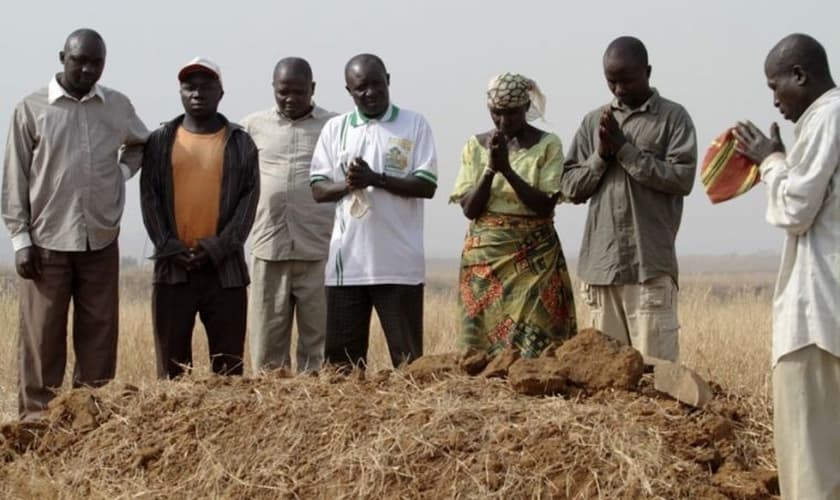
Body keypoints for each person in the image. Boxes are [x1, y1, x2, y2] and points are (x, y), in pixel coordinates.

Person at [1, 29, 148, 419]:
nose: (87, 69)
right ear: (62, 57)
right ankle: (37, 423)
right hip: (46, 243)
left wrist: (120, 172)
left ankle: (90, 422)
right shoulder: (31, 109)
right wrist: (20, 240)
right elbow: (15, 176)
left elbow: (140, 143)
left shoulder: (117, 105)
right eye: (79, 61)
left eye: (96, 63)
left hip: (100, 240)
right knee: (42, 338)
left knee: (99, 335)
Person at [733, 33, 840, 500]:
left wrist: (771, 162)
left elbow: (795, 209)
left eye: (775, 86)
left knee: (811, 467)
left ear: (800, 75)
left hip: (816, 319)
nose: (775, 101)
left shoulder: (829, 115)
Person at [560, 36, 697, 365]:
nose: (619, 89)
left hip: (648, 267)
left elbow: (682, 178)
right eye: (611, 81)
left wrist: (625, 150)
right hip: (601, 270)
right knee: (605, 379)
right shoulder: (594, 122)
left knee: (657, 376)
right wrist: (600, 157)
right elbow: (569, 187)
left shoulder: (673, 118)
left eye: (627, 80)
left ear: (647, 72)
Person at [310, 53, 438, 371]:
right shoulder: (336, 128)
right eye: (360, 88)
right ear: (349, 91)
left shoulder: (414, 124)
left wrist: (376, 179)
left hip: (400, 266)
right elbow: (318, 189)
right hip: (347, 268)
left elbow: (426, 185)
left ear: (388, 80)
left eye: (376, 84)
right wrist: (349, 184)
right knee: (342, 369)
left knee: (409, 366)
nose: (370, 93)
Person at [140, 57, 259, 379]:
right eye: (189, 87)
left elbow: (248, 204)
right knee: (172, 374)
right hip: (173, 270)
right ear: (180, 92)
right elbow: (149, 199)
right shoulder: (160, 141)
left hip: (225, 272)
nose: (197, 93)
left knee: (228, 372)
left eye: (206, 86)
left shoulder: (240, 143)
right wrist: (169, 246)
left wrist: (217, 248)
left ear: (221, 93)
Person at [449, 72, 576, 357]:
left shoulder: (548, 144)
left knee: (536, 341)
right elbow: (470, 209)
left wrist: (508, 170)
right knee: (480, 348)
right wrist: (490, 169)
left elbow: (545, 204)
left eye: (511, 113)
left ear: (526, 107)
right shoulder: (475, 146)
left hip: (535, 257)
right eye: (496, 113)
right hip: (485, 258)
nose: (503, 121)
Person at [241, 58, 337, 374]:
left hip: (319, 250)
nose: (290, 98)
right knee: (266, 351)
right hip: (269, 248)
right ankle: (271, 402)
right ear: (273, 88)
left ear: (313, 89)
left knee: (318, 350)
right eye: (283, 91)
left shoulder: (334, 126)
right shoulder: (251, 127)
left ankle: (316, 402)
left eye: (299, 91)